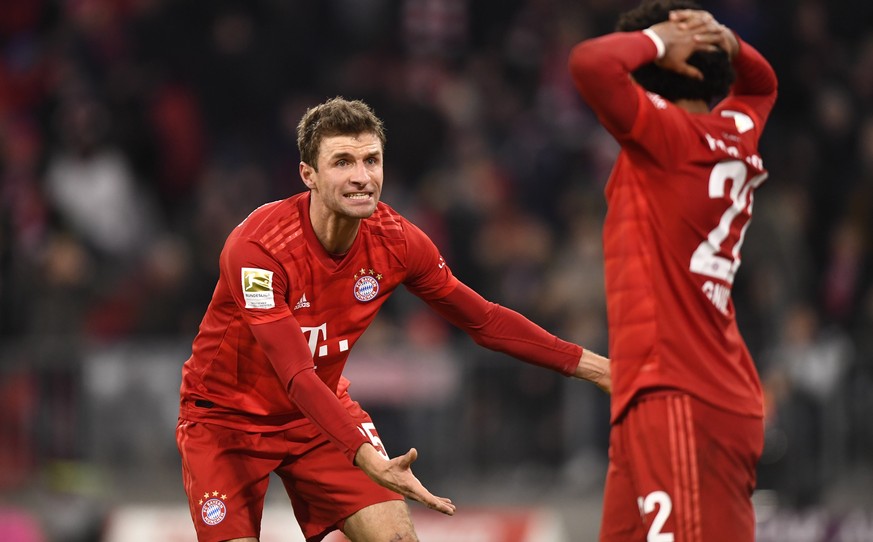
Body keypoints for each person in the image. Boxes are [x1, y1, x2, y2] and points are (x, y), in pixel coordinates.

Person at [175, 96, 611, 542]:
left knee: (398, 539)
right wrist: (368, 457)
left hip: (319, 417)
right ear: (308, 175)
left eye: (371, 161)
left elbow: (486, 321)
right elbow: (296, 375)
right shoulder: (258, 249)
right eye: (343, 162)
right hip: (226, 421)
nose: (362, 177)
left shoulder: (397, 240)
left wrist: (601, 369)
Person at [568, 2, 777, 541]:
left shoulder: (665, 138)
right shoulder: (734, 130)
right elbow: (762, 86)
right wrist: (726, 40)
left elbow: (592, 65)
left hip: (678, 396)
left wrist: (659, 38)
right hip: (683, 391)